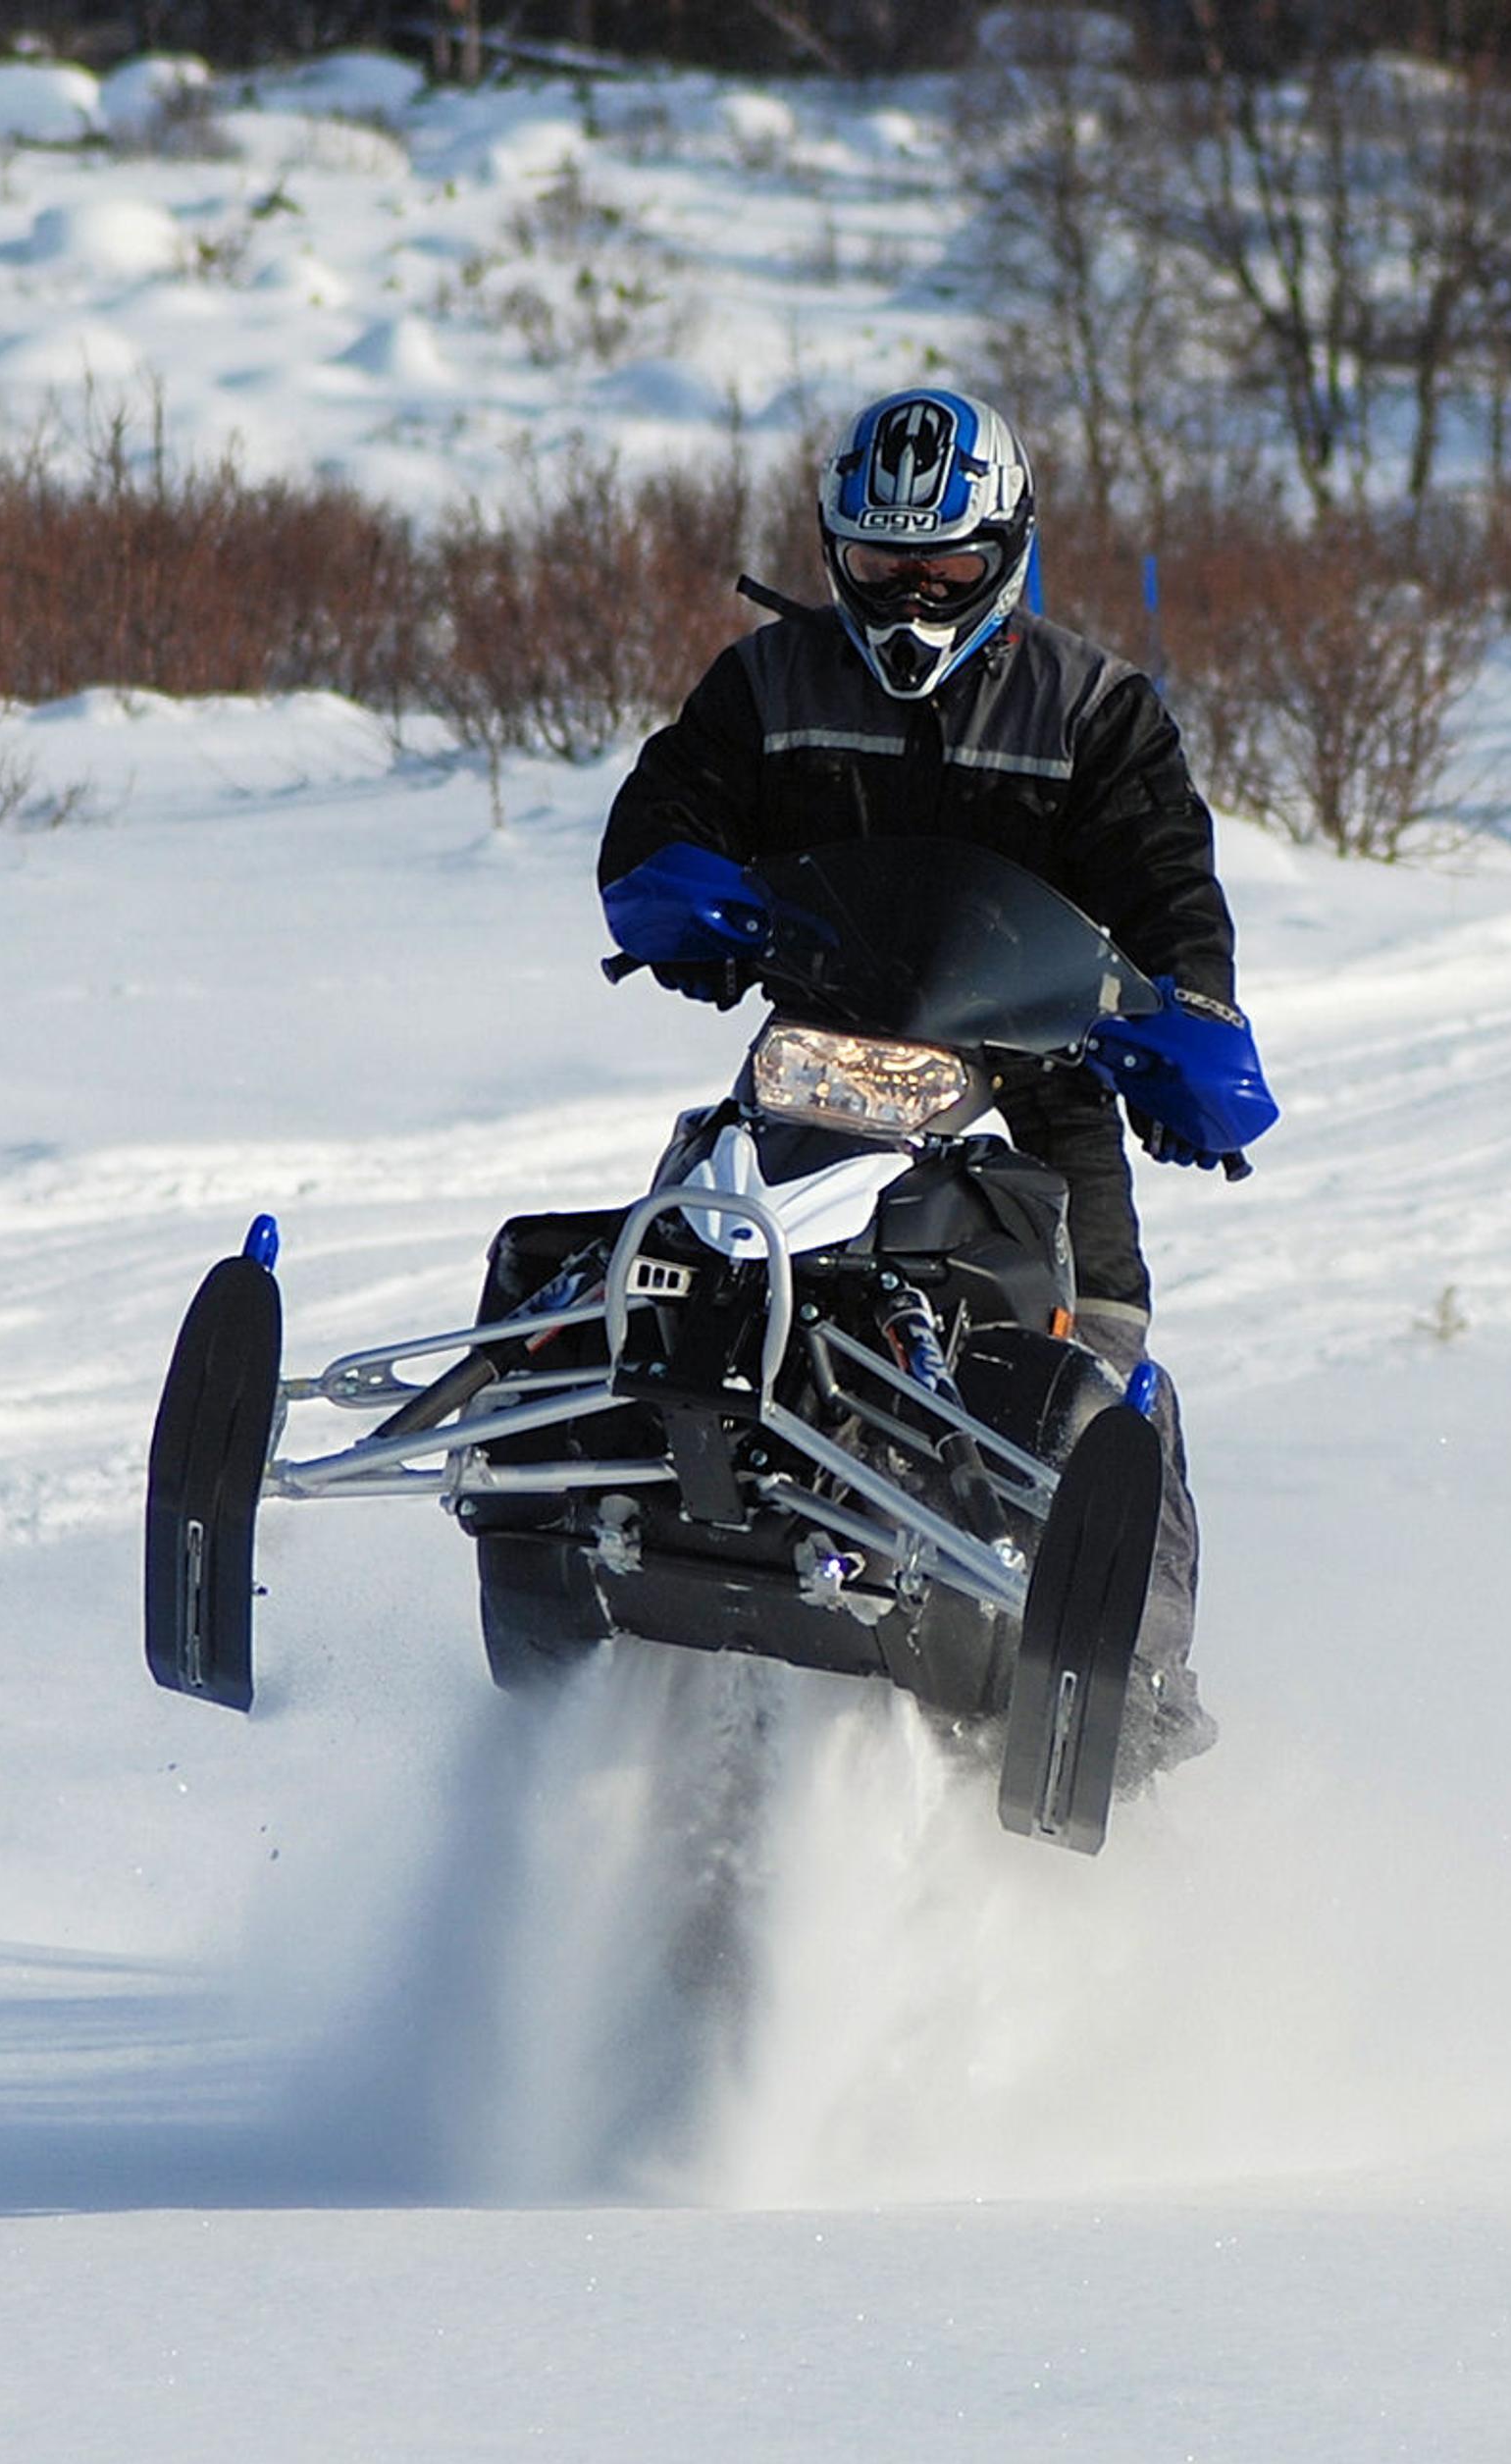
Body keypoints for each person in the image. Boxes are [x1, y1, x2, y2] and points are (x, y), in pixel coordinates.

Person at [593, 386, 1267, 1757]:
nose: (910, 596)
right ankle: (562, 1466)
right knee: (669, 1249)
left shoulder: (1098, 713)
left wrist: (1190, 1035)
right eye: (880, 562)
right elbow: (667, 809)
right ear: (835, 549)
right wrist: (683, 894)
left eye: (944, 567)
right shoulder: (766, 686)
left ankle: (1130, 1692)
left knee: (1109, 1362)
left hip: (1037, 1095)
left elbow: (1173, 905)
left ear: (1007, 548)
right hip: (821, 1057)